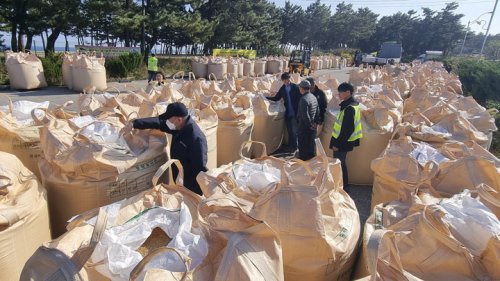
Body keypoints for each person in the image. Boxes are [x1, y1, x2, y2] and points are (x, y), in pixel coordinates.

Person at [131, 102, 208, 195]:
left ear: (179, 119)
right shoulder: (178, 126)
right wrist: (134, 124)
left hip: (191, 186)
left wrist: (195, 192)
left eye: (169, 120)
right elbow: (159, 123)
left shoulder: (196, 138)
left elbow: (200, 168)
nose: (168, 122)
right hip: (179, 180)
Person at [329, 82, 363, 192]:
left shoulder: (349, 108)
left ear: (348, 92)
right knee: (341, 163)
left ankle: (344, 186)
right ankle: (342, 185)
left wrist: (337, 145)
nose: (339, 95)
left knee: (340, 163)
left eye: (340, 93)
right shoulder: (352, 104)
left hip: (343, 142)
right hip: (345, 141)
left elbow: (347, 130)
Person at [267, 72, 301, 152]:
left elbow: (300, 99)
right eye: (285, 80)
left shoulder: (295, 87)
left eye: (288, 79)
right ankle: (291, 146)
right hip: (288, 113)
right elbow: (276, 98)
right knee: (289, 130)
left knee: (294, 131)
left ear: (290, 79)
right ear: (283, 80)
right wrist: (266, 98)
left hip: (295, 113)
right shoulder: (283, 88)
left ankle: (295, 147)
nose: (286, 81)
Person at [297, 80, 319, 161]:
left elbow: (305, 116)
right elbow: (317, 111)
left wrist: (310, 125)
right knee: (310, 148)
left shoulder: (304, 99)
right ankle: (310, 164)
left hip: (304, 128)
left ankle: (303, 165)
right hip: (312, 127)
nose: (299, 89)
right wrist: (315, 124)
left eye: (299, 87)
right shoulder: (313, 97)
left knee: (303, 148)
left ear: (302, 88)